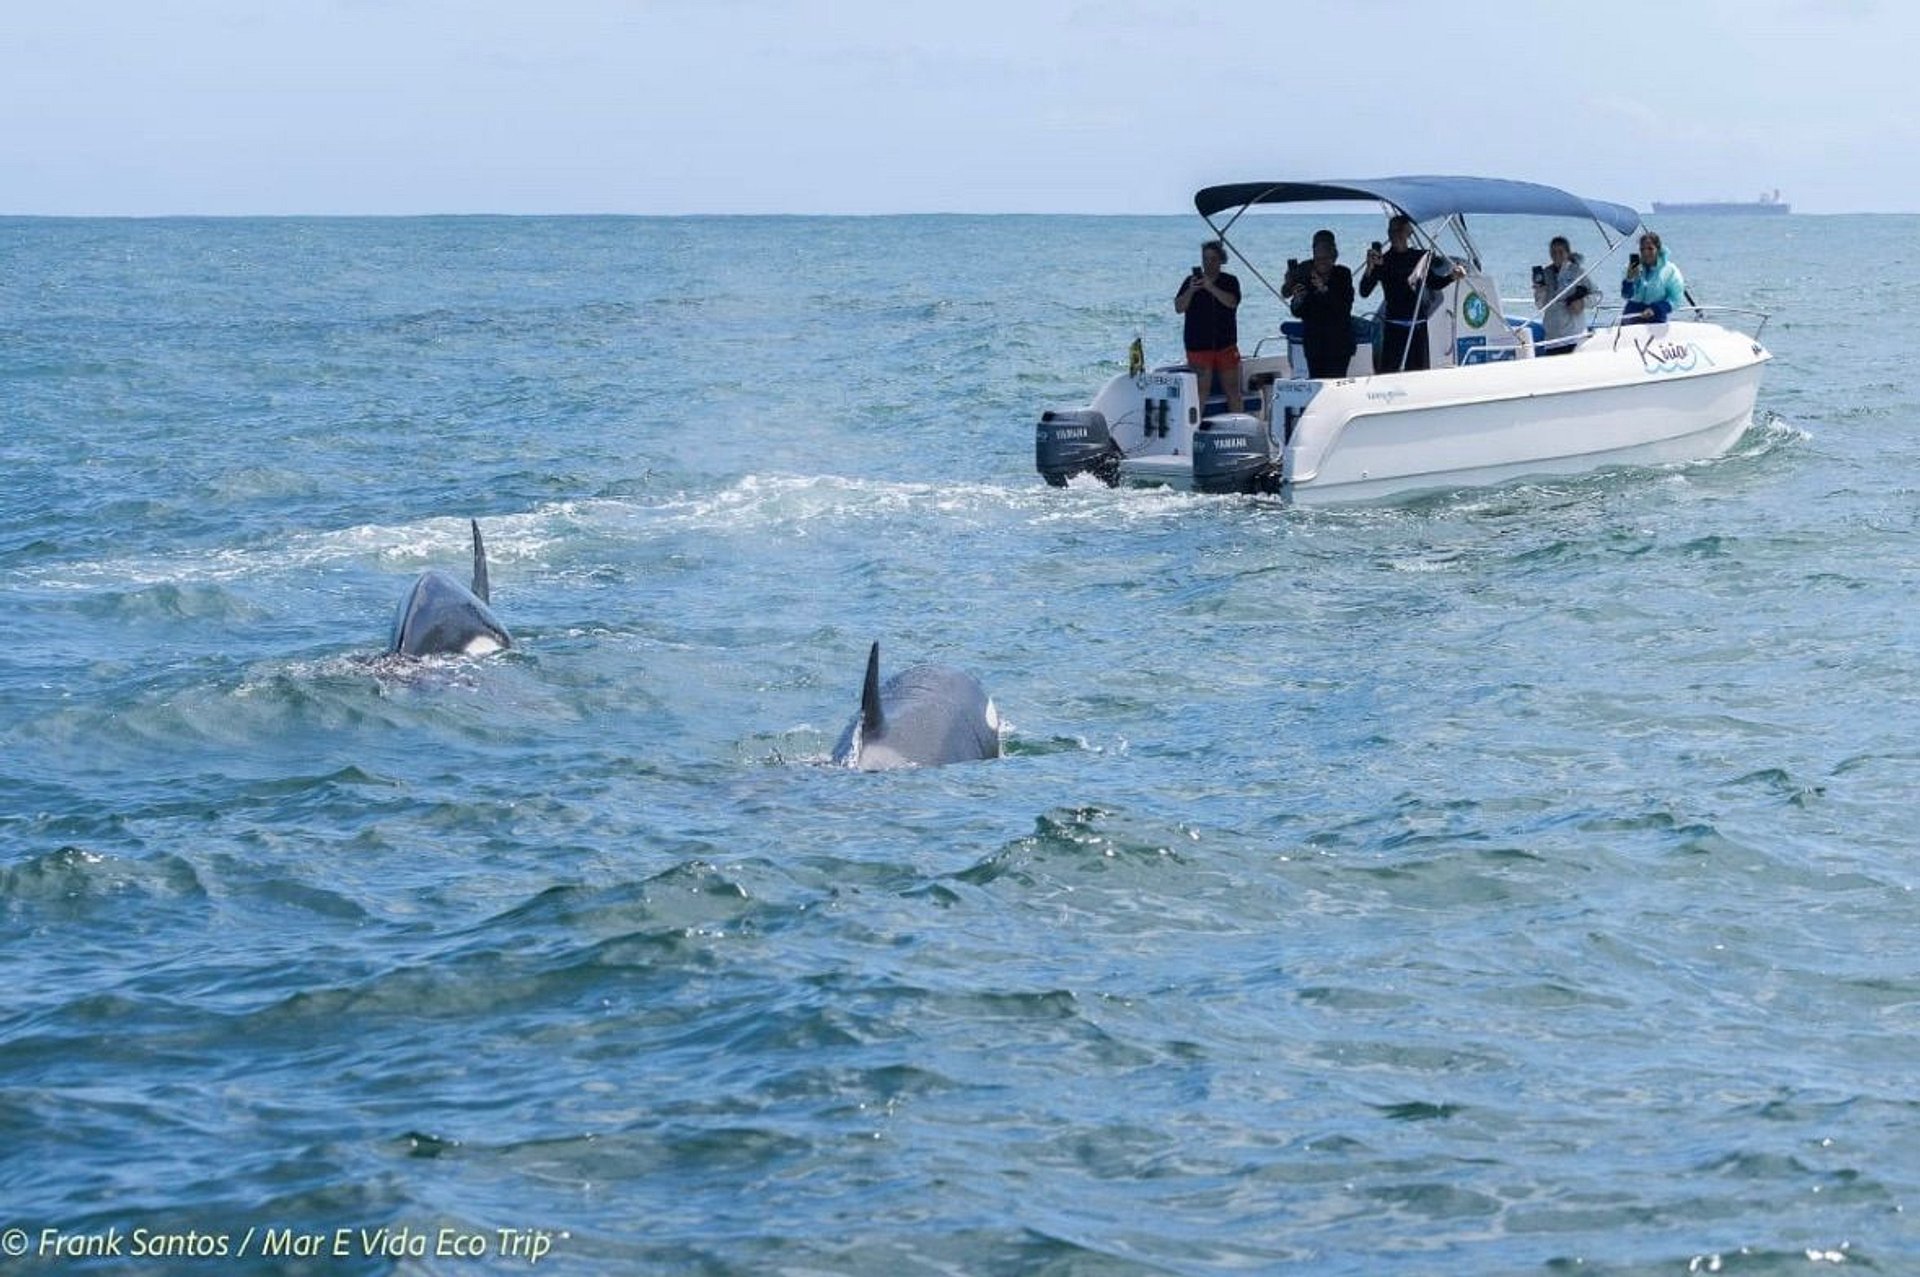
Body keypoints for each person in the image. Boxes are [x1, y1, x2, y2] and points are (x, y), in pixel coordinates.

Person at [1359, 214, 1460, 373]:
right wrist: (1370, 267)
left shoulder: (1420, 257)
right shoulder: (1383, 261)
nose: (1395, 234)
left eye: (1399, 230)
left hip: (1417, 326)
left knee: (1419, 374)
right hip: (1394, 326)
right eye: (1391, 231)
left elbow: (1434, 283)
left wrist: (1452, 277)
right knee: (1389, 374)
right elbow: (1364, 292)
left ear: (1408, 232)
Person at [1175, 240, 1242, 410]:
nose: (1208, 263)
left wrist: (1210, 287)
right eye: (1205, 259)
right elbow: (1179, 307)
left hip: (1226, 345)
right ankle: (1194, 431)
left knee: (1233, 390)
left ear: (1221, 260)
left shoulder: (1230, 281)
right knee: (1200, 392)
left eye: (1213, 259)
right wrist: (1191, 290)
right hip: (1199, 346)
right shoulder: (1190, 281)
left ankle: (1239, 428)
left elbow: (1232, 302)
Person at [1283, 228, 1356, 379]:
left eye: (1326, 258)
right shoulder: (1305, 270)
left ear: (1333, 257)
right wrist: (1297, 298)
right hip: (1314, 343)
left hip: (1339, 343)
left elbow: (1343, 308)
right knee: (1317, 383)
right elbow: (1297, 309)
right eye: (1318, 258)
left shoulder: (1342, 274)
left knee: (1336, 384)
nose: (1321, 263)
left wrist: (1323, 289)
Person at [1532, 235, 1595, 354]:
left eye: (1560, 252)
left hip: (1573, 337)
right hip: (1552, 339)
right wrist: (1540, 291)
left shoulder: (1577, 272)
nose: (1557, 256)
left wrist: (1582, 303)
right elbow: (1540, 306)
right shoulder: (1546, 273)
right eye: (1553, 253)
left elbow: (1597, 295)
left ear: (1568, 253)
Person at [1620, 230, 1686, 324]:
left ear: (1658, 249)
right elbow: (1626, 295)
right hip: (1632, 313)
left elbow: (1676, 299)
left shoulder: (1670, 270)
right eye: (1642, 249)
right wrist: (1629, 280)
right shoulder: (1632, 266)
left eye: (1650, 249)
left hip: (1656, 315)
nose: (1646, 253)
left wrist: (1656, 309)